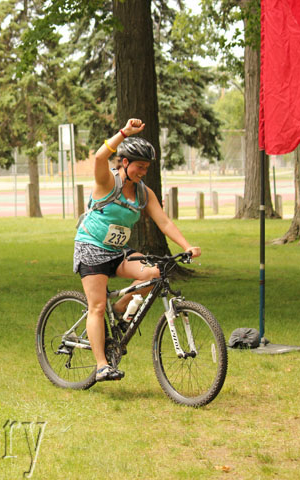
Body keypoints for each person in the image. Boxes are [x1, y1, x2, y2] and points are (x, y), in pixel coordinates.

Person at [73, 118, 202, 382]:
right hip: (91, 247)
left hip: (117, 250)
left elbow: (164, 222)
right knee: (97, 306)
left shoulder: (144, 194)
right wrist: (123, 133)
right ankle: (102, 366)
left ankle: (120, 307)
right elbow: (99, 157)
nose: (143, 172)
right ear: (125, 162)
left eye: (147, 167)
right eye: (139, 166)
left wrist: (187, 246)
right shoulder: (107, 182)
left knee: (154, 273)